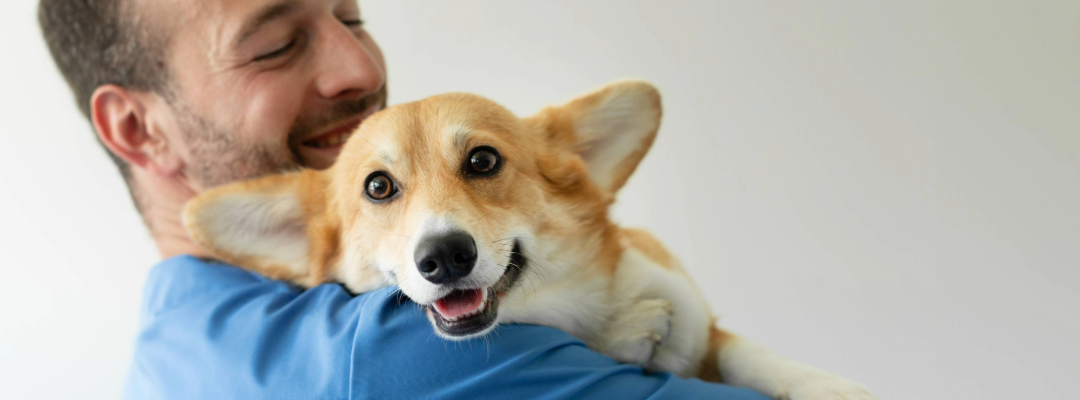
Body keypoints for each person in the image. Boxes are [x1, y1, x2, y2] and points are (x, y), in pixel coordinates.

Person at [39, 1, 769, 399]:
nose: (360, 67)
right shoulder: (395, 351)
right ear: (138, 128)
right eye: (273, 45)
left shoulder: (165, 356)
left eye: (351, 18)